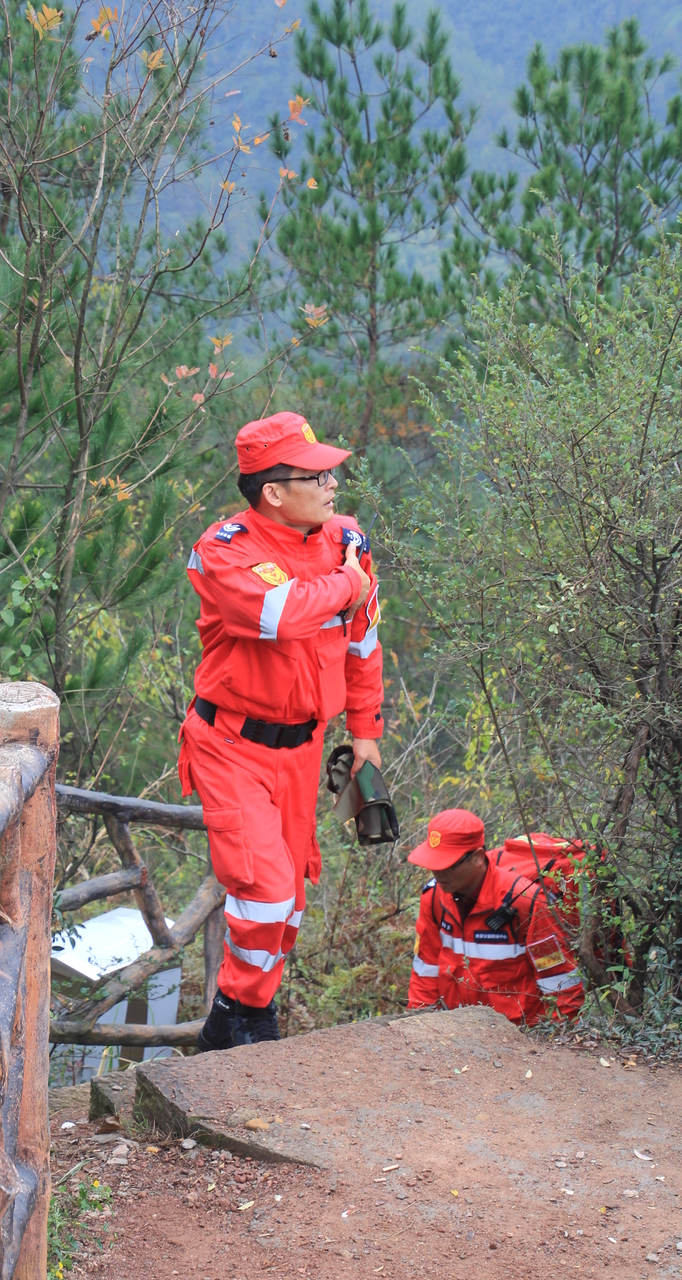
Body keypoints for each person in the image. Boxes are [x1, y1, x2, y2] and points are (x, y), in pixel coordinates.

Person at [178, 411, 384, 1050]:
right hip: (232, 746)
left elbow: (362, 642)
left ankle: (235, 1022)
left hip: (305, 749)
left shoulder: (345, 537)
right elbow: (282, 613)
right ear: (273, 490)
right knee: (264, 892)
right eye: (316, 474)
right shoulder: (227, 550)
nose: (333, 482)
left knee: (289, 900)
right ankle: (243, 1015)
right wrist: (348, 580)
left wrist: (366, 735)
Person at [406, 808, 584, 1025]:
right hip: (454, 1034)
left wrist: (555, 1043)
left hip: (517, 1037)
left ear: (478, 857)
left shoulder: (526, 903)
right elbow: (425, 972)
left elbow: (560, 983)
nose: (438, 872)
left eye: (448, 865)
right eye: (434, 863)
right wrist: (419, 1029)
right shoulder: (433, 898)